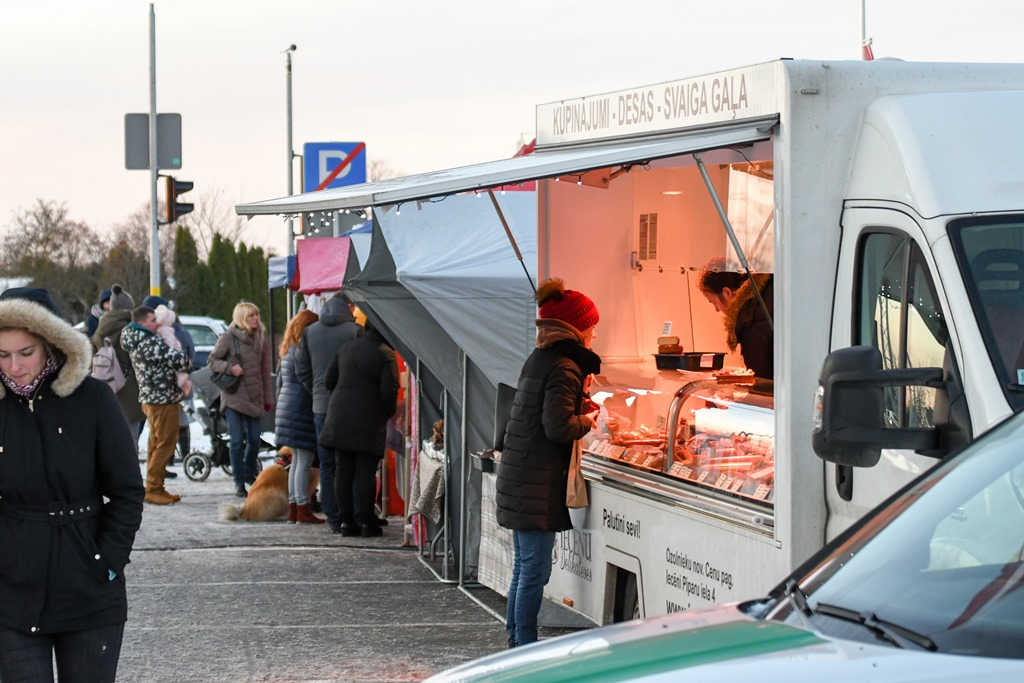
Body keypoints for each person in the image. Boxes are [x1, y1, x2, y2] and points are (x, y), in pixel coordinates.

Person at [0, 286, 144, 682]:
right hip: (12, 593)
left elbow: (128, 490)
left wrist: (108, 561)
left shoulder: (92, 399)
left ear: (51, 344)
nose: (14, 366)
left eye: (25, 352)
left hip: (89, 589)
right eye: (3, 355)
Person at [495, 278, 601, 647]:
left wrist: (578, 407)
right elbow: (557, 427)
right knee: (534, 573)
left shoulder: (541, 357)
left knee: (524, 568)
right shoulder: (566, 365)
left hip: (522, 474)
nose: (594, 333)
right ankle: (523, 647)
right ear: (577, 327)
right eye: (592, 326)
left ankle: (515, 640)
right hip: (534, 481)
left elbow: (544, 412)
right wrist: (589, 420)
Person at [319, 319, 399, 537]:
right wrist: (386, 412)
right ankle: (366, 522)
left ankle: (347, 523)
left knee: (342, 471)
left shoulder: (345, 348)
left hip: (339, 416)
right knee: (365, 472)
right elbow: (388, 391)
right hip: (368, 420)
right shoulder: (386, 354)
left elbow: (328, 381)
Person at [294, 292, 361, 531]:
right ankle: (350, 515)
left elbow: (300, 368)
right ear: (348, 306)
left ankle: (332, 518)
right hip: (350, 406)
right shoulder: (354, 332)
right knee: (349, 463)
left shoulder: (310, 332)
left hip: (320, 407)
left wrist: (315, 389)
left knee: (326, 464)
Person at [121, 305, 191, 505]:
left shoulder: (137, 339)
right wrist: (184, 361)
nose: (156, 322)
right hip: (162, 399)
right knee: (165, 443)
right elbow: (180, 361)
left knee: (156, 441)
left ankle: (156, 486)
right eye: (152, 320)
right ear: (142, 322)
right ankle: (153, 487)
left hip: (152, 398)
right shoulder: (148, 342)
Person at [208, 302, 273, 498]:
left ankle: (248, 472)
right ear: (241, 319)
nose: (256, 319)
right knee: (236, 441)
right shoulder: (228, 337)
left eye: (256, 315)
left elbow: (264, 372)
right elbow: (212, 361)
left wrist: (268, 399)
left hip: (254, 397)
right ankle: (238, 481)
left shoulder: (261, 338)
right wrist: (230, 369)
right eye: (251, 316)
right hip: (234, 397)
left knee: (254, 440)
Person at [275, 309, 324, 524]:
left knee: (296, 462)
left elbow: (280, 384)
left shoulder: (288, 349)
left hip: (287, 408)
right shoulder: (303, 351)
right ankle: (302, 508)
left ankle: (295, 508)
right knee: (303, 462)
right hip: (301, 409)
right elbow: (308, 383)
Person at [697, 258, 774, 379]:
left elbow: (762, 385)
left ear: (727, 292)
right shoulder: (766, 298)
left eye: (714, 302)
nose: (717, 309)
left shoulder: (753, 323)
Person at [142, 295, 196, 460]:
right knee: (181, 423)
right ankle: (185, 456)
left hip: (162, 388)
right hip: (181, 385)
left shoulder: (151, 335)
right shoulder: (181, 332)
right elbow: (190, 356)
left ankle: (167, 458)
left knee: (161, 426)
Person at [92, 284, 145, 441]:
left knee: (108, 440)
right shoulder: (131, 330)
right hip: (129, 391)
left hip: (105, 389)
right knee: (130, 440)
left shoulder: (98, 330)